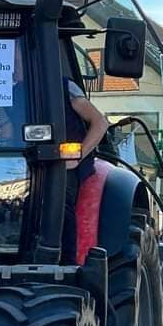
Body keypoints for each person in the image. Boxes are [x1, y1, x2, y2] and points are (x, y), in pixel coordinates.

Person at [61, 79, 110, 264]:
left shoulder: (65, 87)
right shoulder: (11, 89)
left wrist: (77, 156)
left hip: (65, 169)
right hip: (23, 168)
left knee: (61, 201)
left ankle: (68, 264)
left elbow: (100, 123)